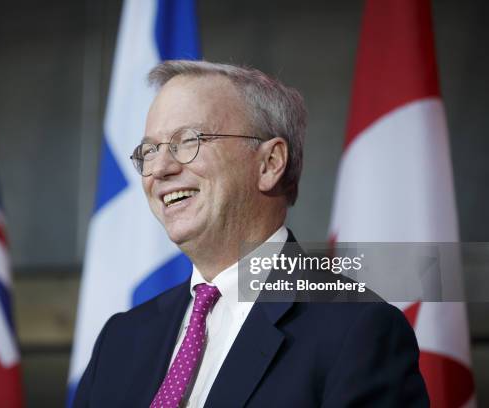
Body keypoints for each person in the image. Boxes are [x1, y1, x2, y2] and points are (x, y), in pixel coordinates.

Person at [73, 60, 429, 407]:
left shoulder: (358, 331)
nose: (161, 169)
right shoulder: (121, 338)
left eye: (188, 140)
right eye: (150, 151)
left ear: (270, 163)